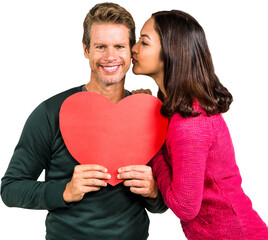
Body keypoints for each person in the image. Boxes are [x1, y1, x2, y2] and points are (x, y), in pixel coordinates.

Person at [0, 3, 167, 240]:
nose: (110, 57)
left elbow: (161, 205)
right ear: (86, 49)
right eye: (100, 47)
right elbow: (10, 189)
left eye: (119, 46)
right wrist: (66, 191)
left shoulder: (148, 114)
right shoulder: (51, 112)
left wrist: (153, 191)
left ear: (132, 51)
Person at [131, 10, 268, 240]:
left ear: (170, 53)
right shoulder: (180, 109)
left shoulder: (190, 124)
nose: (134, 48)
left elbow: (185, 207)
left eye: (144, 42)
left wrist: (153, 148)